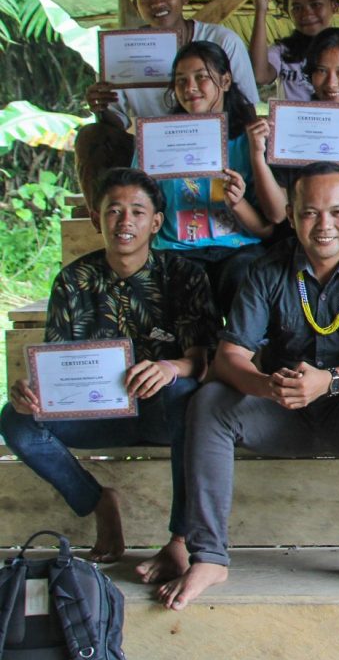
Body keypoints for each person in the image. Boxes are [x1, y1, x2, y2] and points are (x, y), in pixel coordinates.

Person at [159, 163, 339, 610]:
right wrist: (269, 387)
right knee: (209, 400)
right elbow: (230, 358)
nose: (324, 225)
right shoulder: (266, 269)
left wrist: (328, 381)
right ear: (291, 216)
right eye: (310, 213)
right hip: (282, 411)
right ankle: (209, 556)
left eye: (336, 213)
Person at [0, 168, 218, 585]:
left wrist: (170, 368)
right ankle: (98, 502)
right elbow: (56, 365)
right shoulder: (74, 281)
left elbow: (202, 360)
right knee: (16, 420)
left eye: (137, 211)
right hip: (95, 415)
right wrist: (31, 391)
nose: (125, 221)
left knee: (190, 396)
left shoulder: (183, 276)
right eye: (114, 211)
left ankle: (180, 539)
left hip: (164, 415)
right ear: (97, 218)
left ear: (155, 222)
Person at [78, 0, 258, 208]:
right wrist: (102, 107)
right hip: (152, 156)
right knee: (91, 136)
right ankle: (107, 219)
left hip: (219, 153)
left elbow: (248, 108)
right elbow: (116, 123)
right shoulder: (121, 51)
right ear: (135, 3)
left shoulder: (222, 40)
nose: (157, 2)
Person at [148, 41, 275, 315]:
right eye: (180, 80)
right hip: (176, 251)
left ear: (226, 81)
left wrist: (238, 202)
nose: (189, 87)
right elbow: (140, 201)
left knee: (246, 280)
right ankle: (194, 358)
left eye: (201, 77)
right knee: (182, 285)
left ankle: (242, 356)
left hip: (237, 250)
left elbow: (266, 229)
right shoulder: (156, 140)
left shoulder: (248, 141)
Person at [259, 27, 339, 243]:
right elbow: (279, 213)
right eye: (321, 70)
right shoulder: (290, 133)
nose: (331, 83)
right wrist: (256, 153)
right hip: (300, 245)